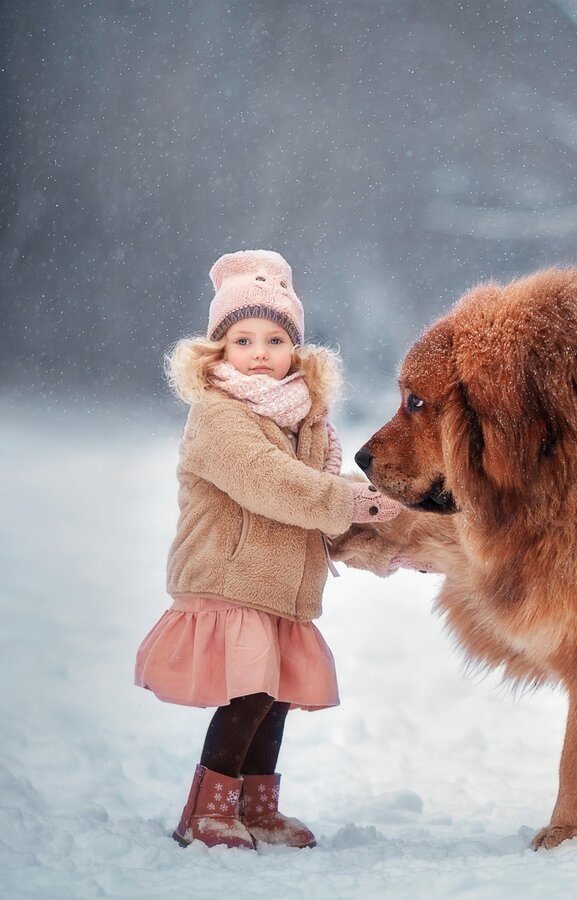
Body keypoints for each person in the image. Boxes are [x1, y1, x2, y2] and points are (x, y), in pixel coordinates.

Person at [135, 249, 401, 850]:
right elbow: (271, 484)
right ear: (217, 351)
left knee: (274, 698)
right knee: (248, 694)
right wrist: (357, 503)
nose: (260, 353)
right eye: (242, 339)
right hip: (230, 577)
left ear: (296, 351)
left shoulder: (306, 423)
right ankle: (207, 810)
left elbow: (321, 504)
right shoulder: (218, 417)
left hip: (284, 584)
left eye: (275, 339)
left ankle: (256, 808)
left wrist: (392, 527)